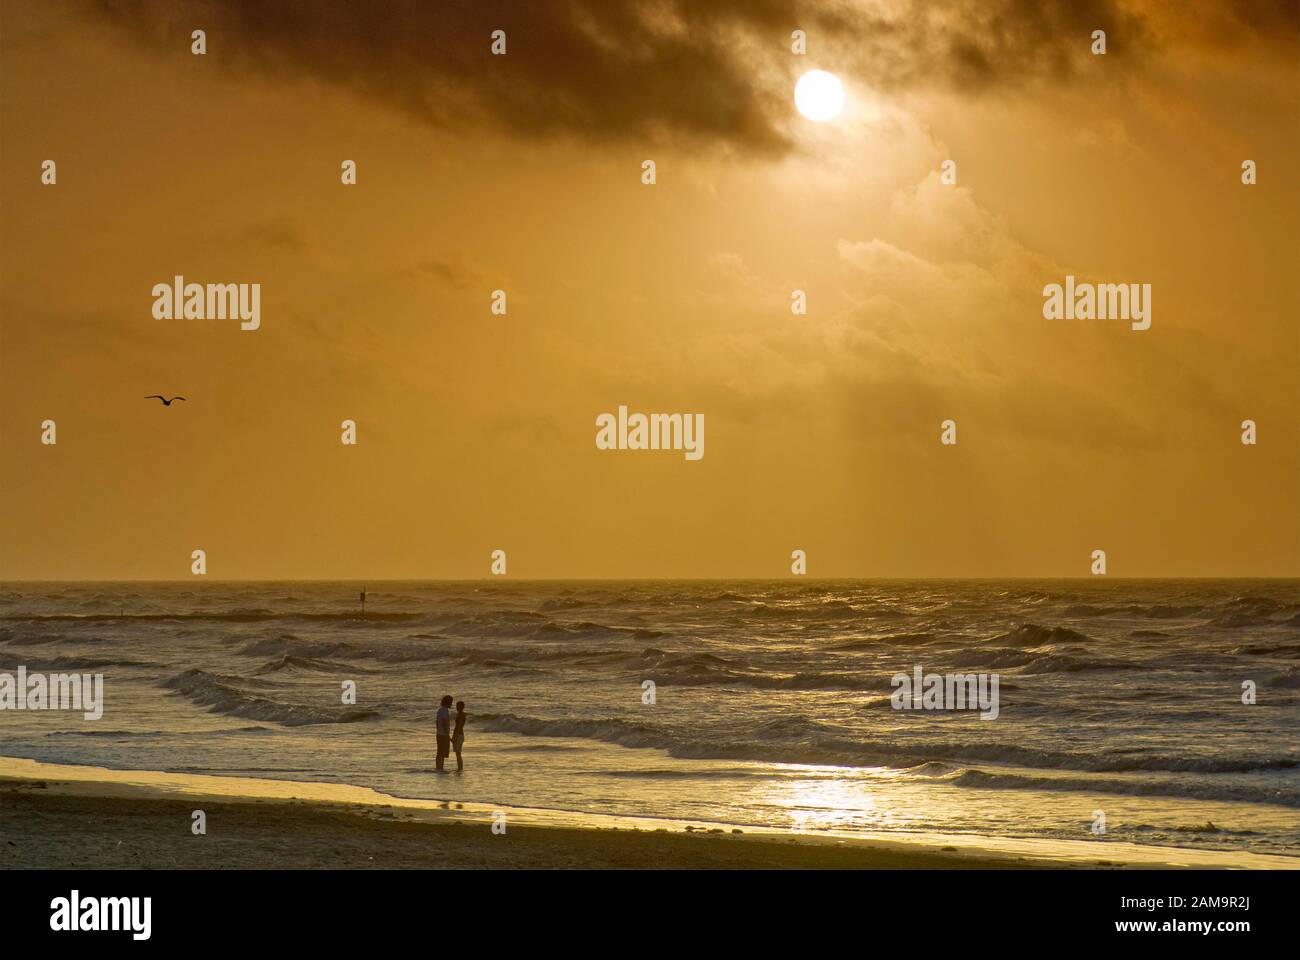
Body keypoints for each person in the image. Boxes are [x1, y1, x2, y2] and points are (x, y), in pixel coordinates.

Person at [435, 695, 453, 773]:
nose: (451, 704)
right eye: (451, 702)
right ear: (447, 702)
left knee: (439, 752)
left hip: (439, 734)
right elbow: (444, 722)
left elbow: (437, 722)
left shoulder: (440, 710)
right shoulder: (445, 711)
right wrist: (447, 733)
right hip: (443, 735)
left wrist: (439, 730)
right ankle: (440, 768)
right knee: (442, 753)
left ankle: (438, 768)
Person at [452, 700, 467, 771]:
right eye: (457, 706)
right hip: (458, 734)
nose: (457, 707)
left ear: (462, 707)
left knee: (458, 753)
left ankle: (460, 768)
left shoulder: (461, 714)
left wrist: (455, 735)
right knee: (458, 754)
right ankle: (459, 768)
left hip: (459, 735)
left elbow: (459, 725)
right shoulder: (459, 714)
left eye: (459, 706)